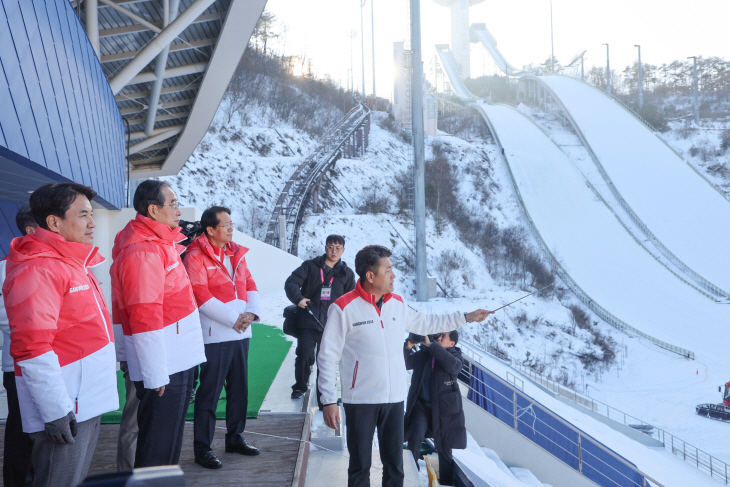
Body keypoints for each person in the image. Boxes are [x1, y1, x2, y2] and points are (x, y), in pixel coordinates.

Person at [318, 245, 491, 487]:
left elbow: (427, 322)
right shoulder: (343, 308)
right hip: (360, 400)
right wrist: (328, 400)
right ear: (370, 276)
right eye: (388, 270)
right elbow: (327, 356)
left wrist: (465, 317)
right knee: (359, 467)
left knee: (395, 468)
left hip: (394, 399)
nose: (394, 275)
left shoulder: (397, 303)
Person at [3, 183, 119, 487]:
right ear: (54, 222)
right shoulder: (38, 269)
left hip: (84, 400)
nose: (92, 223)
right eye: (83, 215)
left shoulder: (72, 262)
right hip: (67, 405)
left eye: (91, 215)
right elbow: (32, 348)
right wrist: (55, 410)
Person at [111, 180, 206, 468]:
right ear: (153, 210)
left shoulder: (159, 243)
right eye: (173, 203)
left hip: (176, 358)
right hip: (165, 364)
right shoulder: (143, 251)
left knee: (169, 442)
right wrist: (154, 374)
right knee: (158, 447)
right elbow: (144, 316)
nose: (179, 210)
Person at [184, 206, 261, 469]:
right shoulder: (196, 254)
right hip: (215, 334)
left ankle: (235, 437)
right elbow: (199, 293)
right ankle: (202, 448)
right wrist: (233, 319)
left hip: (241, 332)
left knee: (239, 389)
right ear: (210, 230)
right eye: (226, 224)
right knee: (209, 393)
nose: (231, 228)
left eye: (231, 223)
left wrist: (251, 313)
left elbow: (250, 283)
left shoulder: (236, 252)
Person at [285, 235, 355, 403]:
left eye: (338, 248)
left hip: (331, 325)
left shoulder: (347, 273)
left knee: (326, 361)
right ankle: (300, 387)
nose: (334, 251)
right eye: (331, 247)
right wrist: (299, 298)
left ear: (343, 251)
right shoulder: (310, 266)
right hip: (308, 320)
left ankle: (324, 397)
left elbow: (351, 299)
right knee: (304, 355)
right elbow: (291, 282)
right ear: (325, 248)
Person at [0, 205, 36, 486]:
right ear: (31, 230)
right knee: (21, 435)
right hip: (19, 368)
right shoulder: (6, 267)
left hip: (53, 366)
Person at [404, 331, 466, 486]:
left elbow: (452, 366)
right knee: (415, 439)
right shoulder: (426, 354)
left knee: (445, 449)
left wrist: (431, 345)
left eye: (443, 336)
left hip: (445, 411)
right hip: (422, 406)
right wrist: (408, 346)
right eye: (438, 335)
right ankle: (411, 477)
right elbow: (407, 363)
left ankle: (445, 483)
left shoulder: (456, 357)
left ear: (452, 344)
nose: (439, 338)